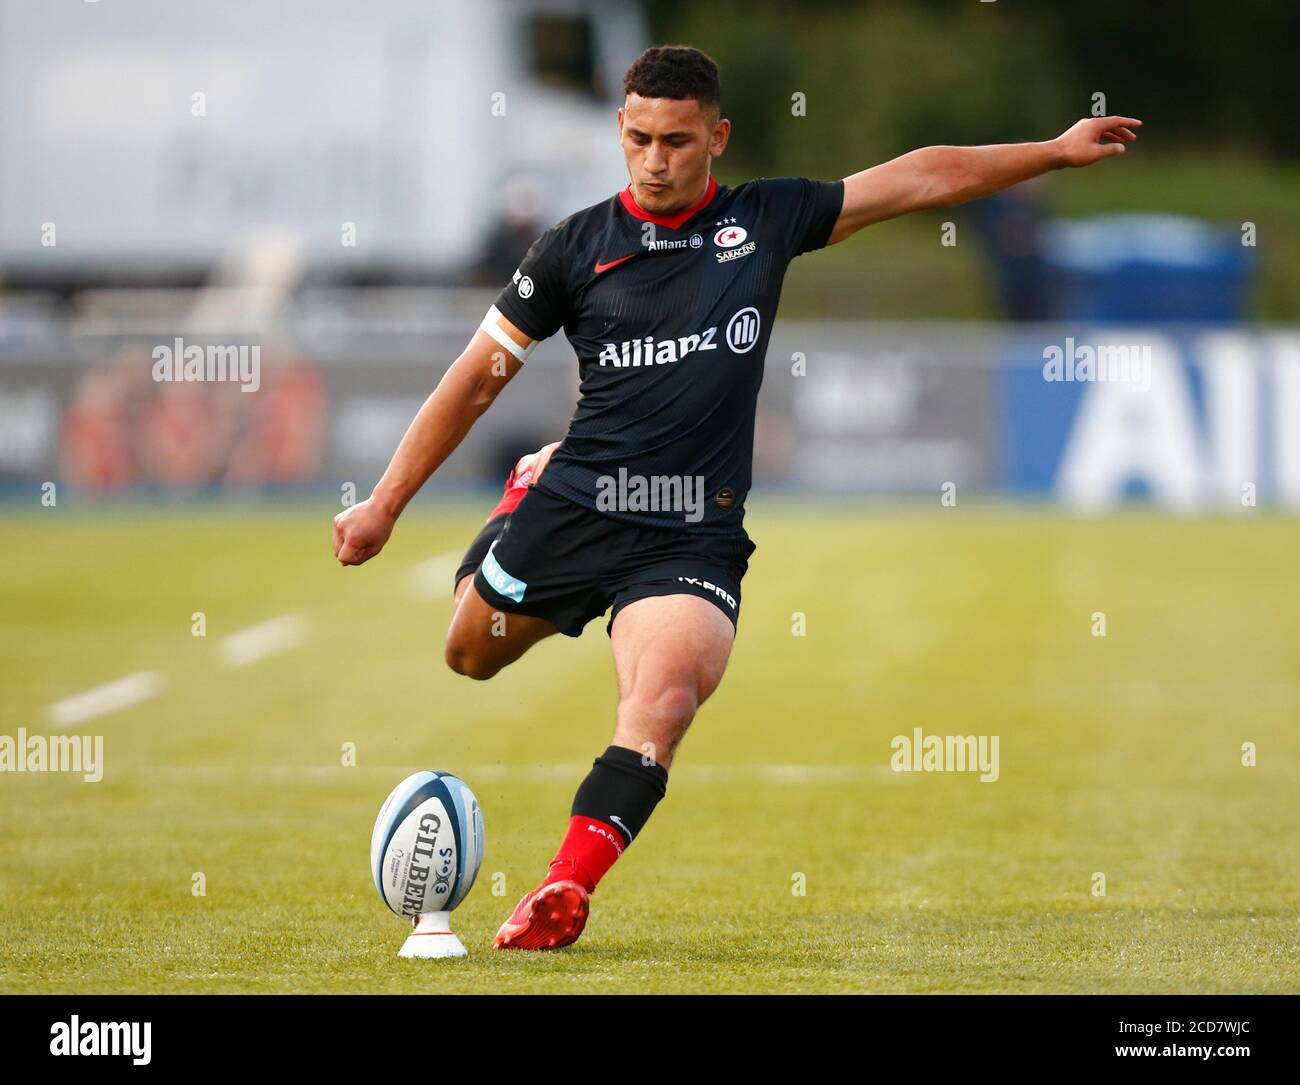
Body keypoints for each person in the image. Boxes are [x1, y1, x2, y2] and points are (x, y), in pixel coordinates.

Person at [332, 45, 1140, 950]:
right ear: (621, 132)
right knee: (468, 656)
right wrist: (384, 505)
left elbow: (919, 179)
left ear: (717, 137)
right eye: (637, 138)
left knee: (664, 702)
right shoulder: (573, 248)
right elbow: (474, 381)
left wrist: (1053, 151)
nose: (654, 158)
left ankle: (562, 887)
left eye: (676, 140)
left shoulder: (766, 218)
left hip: (690, 531)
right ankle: (521, 492)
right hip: (575, 504)